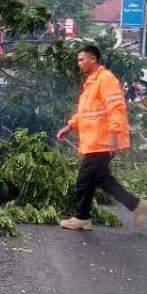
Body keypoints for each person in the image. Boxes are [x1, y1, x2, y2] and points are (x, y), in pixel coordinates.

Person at [57, 45, 147, 231]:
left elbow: (117, 108)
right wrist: (70, 126)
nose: (79, 63)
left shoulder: (105, 79)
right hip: (95, 141)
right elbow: (86, 112)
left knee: (84, 178)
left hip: (104, 140)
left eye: (82, 59)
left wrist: (114, 136)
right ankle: (138, 205)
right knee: (102, 179)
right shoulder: (92, 82)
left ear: (93, 59)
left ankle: (82, 217)